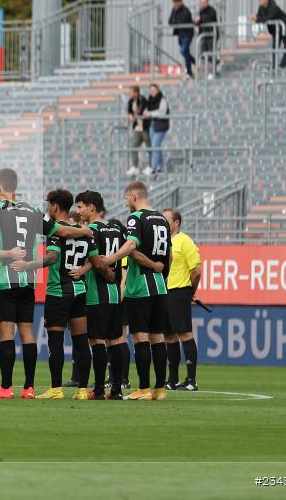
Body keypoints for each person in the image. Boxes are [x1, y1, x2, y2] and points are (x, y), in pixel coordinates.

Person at [0, 168, 92, 399]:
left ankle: (6, 388)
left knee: (7, 333)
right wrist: (83, 230)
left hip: (5, 281)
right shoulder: (33, 211)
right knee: (27, 332)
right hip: (28, 280)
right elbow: (62, 231)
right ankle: (29, 388)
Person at [35, 189, 111, 401]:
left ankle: (56, 389)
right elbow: (96, 262)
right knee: (80, 342)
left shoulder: (56, 231)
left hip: (59, 290)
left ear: (54, 207)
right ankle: (81, 391)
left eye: (48, 205)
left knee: (56, 340)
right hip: (80, 290)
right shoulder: (84, 231)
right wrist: (110, 274)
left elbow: (52, 257)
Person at [103, 180, 171, 401]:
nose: (125, 203)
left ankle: (143, 388)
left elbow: (131, 246)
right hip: (160, 284)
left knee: (140, 338)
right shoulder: (162, 218)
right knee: (158, 337)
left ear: (133, 196)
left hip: (139, 285)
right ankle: (160, 389)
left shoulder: (136, 218)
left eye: (126, 198)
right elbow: (168, 255)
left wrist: (111, 258)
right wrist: (162, 274)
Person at [74, 191, 129, 400]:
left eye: (80, 207)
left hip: (97, 294)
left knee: (97, 342)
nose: (78, 211)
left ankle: (97, 390)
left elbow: (95, 260)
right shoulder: (117, 227)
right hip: (115, 293)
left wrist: (82, 270)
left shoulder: (91, 230)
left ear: (91, 207)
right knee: (115, 342)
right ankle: (116, 390)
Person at [161, 208, 201, 391]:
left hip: (179, 291)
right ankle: (173, 380)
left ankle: (192, 381)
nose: (163, 223)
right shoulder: (162, 242)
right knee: (169, 336)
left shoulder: (185, 241)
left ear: (176, 223)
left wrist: (189, 292)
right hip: (165, 292)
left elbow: (196, 271)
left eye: (167, 220)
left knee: (185, 333)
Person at [251, 0, 286, 69]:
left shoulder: (273, 6)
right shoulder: (261, 8)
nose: (260, 1)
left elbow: (268, 18)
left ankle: (283, 64)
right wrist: (255, 18)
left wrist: (257, 18)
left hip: (285, 25)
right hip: (275, 29)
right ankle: (274, 65)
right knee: (274, 46)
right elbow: (260, 18)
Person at [168, 0, 195, 78]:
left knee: (183, 50)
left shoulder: (185, 10)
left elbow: (181, 21)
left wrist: (175, 21)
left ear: (180, 2)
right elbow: (170, 22)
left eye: (176, 3)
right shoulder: (174, 10)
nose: (175, 5)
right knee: (185, 52)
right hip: (180, 34)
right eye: (174, 4)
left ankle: (190, 70)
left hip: (187, 33)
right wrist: (175, 21)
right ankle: (193, 64)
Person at [126, 86, 150, 176]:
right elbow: (129, 111)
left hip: (144, 127)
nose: (130, 94)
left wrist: (135, 115)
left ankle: (151, 166)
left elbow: (142, 111)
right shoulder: (130, 101)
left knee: (149, 147)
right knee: (134, 146)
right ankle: (134, 166)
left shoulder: (143, 100)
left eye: (131, 92)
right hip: (137, 127)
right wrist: (130, 115)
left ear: (136, 92)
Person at [145, 84, 169, 174]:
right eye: (151, 90)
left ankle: (154, 167)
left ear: (158, 90)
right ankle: (159, 166)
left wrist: (150, 113)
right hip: (153, 125)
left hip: (161, 126)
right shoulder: (150, 101)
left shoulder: (162, 100)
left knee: (155, 145)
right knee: (156, 146)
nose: (152, 92)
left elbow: (161, 113)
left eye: (154, 90)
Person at [195, 0, 219, 75]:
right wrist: (196, 21)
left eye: (204, 2)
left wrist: (200, 20)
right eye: (201, 2)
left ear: (207, 2)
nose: (202, 4)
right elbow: (198, 23)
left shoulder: (212, 10)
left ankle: (214, 70)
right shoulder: (200, 11)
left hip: (211, 35)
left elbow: (208, 20)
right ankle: (212, 66)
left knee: (211, 53)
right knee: (203, 53)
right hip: (203, 35)